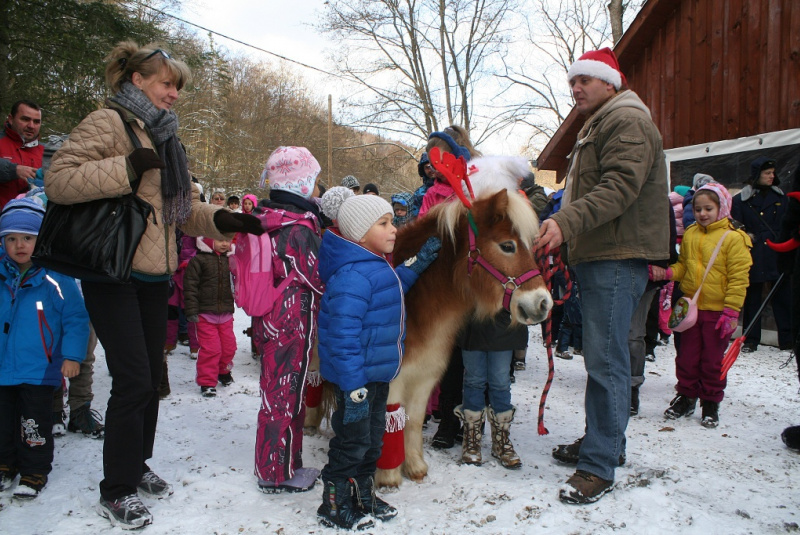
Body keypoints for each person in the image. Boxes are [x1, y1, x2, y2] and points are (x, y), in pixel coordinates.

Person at [45, 41, 263, 529]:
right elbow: (58, 179)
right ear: (137, 81)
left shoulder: (165, 136)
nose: (175, 94)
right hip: (111, 270)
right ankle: (116, 489)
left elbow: (179, 211)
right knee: (134, 380)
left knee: (151, 379)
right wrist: (125, 167)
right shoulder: (107, 123)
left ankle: (135, 465)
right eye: (167, 83)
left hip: (151, 274)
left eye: (178, 86)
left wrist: (225, 219)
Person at [536, 47, 669, 504]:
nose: (575, 89)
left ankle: (599, 465)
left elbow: (618, 188)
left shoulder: (626, 120)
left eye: (584, 81)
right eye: (572, 82)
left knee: (606, 362)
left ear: (609, 83)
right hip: (601, 255)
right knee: (602, 360)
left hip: (615, 257)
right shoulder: (602, 122)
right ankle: (606, 445)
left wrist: (564, 224)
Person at [316, 194, 440, 530]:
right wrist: (353, 386)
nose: (394, 230)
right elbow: (342, 336)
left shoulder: (375, 266)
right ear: (359, 233)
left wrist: (417, 263)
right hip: (355, 381)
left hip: (377, 375)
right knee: (351, 443)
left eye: (392, 221)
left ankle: (363, 495)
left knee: (370, 442)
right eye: (383, 224)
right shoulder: (352, 276)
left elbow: (392, 287)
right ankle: (334, 503)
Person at [0, 198, 90, 498]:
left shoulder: (56, 277)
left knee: (34, 422)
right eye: (10, 238)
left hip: (39, 368)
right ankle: (5, 465)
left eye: (27, 238)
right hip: (3, 367)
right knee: (3, 421)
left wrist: (73, 355)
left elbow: (76, 318)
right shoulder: (1, 274)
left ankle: (34, 470)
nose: (19, 245)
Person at [652, 183, 752, 427]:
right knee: (686, 356)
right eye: (698, 209)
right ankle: (686, 396)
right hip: (691, 310)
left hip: (718, 311)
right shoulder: (691, 234)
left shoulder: (734, 238)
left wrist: (731, 311)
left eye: (708, 208)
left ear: (722, 207)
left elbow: (739, 279)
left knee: (712, 360)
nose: (702, 214)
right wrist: (666, 273)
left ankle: (710, 401)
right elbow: (684, 267)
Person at [254, 146, 324, 494]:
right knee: (285, 396)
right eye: (314, 181)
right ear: (301, 185)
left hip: (270, 317)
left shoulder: (268, 218)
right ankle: (276, 473)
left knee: (276, 393)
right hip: (291, 322)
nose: (317, 188)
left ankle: (283, 464)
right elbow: (316, 278)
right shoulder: (299, 228)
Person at [731, 157, 792, 352]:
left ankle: (787, 339)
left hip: (777, 252)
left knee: (782, 297)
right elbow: (735, 226)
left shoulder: (782, 199)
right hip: (754, 254)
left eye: (773, 173)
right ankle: (750, 339)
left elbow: (788, 224)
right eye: (767, 173)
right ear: (757, 175)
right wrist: (746, 237)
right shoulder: (741, 201)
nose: (771, 176)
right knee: (752, 298)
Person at [455, 310, 527, 469]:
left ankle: (501, 441)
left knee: (500, 382)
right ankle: (472, 440)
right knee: (474, 381)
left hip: (504, 324)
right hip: (472, 322)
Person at [184, 237, 237, 397]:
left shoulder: (231, 260)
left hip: (226, 313)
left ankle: (223, 371)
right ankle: (207, 381)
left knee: (229, 347)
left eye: (227, 240)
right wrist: (192, 310)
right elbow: (190, 286)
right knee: (211, 349)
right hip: (205, 314)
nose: (224, 243)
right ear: (208, 240)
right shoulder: (199, 260)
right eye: (220, 240)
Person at [0, 100, 43, 208]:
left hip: (35, 221)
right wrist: (13, 170)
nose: (31, 126)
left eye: (36, 122)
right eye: (25, 119)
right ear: (10, 119)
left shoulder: (47, 152)